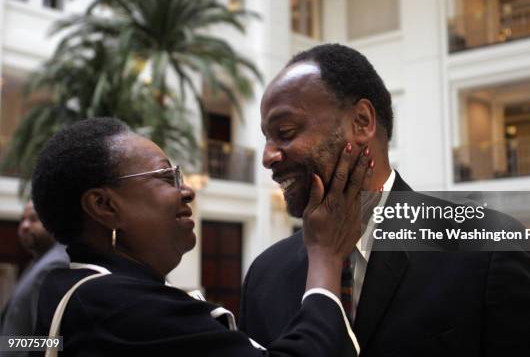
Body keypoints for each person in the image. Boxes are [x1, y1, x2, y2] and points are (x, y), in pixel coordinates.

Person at [239, 43, 530, 357]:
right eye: (266, 139)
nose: (267, 157)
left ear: (361, 122)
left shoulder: (487, 249)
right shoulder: (265, 275)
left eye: (285, 132)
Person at [31, 117, 370, 356]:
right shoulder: (117, 308)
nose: (187, 191)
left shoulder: (62, 287)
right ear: (104, 205)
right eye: (166, 177)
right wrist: (326, 256)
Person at [0, 201, 68, 356]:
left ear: (53, 222)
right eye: (22, 219)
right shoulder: (39, 261)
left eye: (33, 219)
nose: (24, 226)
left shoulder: (54, 265)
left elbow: (47, 340)